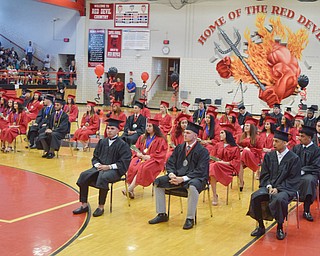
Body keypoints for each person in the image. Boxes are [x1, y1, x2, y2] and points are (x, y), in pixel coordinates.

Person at [148, 122, 210, 230]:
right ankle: (162, 214)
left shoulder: (203, 151)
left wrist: (183, 179)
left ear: (195, 136)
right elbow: (170, 163)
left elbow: (200, 170)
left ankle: (190, 218)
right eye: (184, 132)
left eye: (188, 133)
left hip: (195, 178)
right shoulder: (179, 148)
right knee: (158, 182)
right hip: (177, 177)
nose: (185, 134)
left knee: (192, 186)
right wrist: (172, 174)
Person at [247, 130, 301, 240]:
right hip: (269, 187)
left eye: (277, 141)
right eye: (273, 141)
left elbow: (293, 179)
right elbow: (264, 175)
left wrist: (278, 188)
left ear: (285, 143)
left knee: (279, 199)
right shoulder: (269, 156)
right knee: (256, 196)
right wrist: (269, 186)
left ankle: (279, 227)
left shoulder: (294, 158)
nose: (274, 144)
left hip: (285, 189)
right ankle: (261, 226)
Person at [73, 118, 132, 217]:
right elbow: (95, 157)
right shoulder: (102, 142)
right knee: (84, 176)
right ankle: (84, 205)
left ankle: (101, 206)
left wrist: (108, 167)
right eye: (108, 128)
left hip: (115, 170)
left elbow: (124, 162)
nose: (109, 130)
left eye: (112, 128)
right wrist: (98, 165)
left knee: (103, 178)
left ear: (118, 130)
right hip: (100, 168)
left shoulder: (123, 145)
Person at [125, 118, 168, 198]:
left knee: (143, 168)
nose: (147, 128)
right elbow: (134, 147)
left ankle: (129, 189)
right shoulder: (142, 137)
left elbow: (162, 153)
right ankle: (131, 192)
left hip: (154, 161)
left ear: (155, 127)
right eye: (147, 126)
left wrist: (150, 156)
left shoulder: (161, 140)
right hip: (141, 157)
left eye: (150, 126)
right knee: (131, 166)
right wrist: (138, 153)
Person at [292, 125, 320, 222]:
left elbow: (317, 166)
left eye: (302, 136)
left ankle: (306, 209)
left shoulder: (316, 150)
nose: (300, 138)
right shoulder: (296, 148)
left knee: (309, 181)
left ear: (309, 137)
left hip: (310, 173)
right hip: (296, 173)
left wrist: (303, 170)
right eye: (299, 136)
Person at [209, 123, 240, 205]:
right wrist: (215, 160)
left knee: (213, 167)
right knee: (212, 168)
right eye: (220, 133)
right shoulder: (218, 145)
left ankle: (214, 195)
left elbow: (237, 161)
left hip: (228, 167)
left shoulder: (234, 147)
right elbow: (212, 156)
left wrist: (225, 163)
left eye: (222, 133)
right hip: (217, 165)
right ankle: (214, 194)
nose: (220, 134)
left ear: (228, 134)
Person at [237, 117, 262, 191]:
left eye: (247, 125)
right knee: (239, 161)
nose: (245, 127)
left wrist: (249, 150)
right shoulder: (241, 136)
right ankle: (241, 182)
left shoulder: (257, 137)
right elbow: (237, 146)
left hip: (253, 157)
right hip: (242, 157)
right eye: (245, 125)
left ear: (252, 127)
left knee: (244, 152)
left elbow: (260, 150)